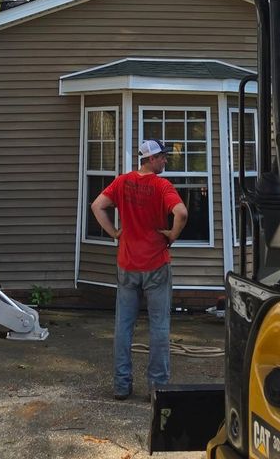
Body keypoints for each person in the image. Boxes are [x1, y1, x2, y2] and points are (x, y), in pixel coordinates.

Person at [91, 139, 189, 401]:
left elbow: (97, 206)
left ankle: (122, 386)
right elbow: (181, 212)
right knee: (159, 326)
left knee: (124, 327)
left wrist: (114, 233)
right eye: (162, 157)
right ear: (151, 159)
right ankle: (157, 388)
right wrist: (171, 236)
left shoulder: (122, 182)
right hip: (156, 264)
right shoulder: (161, 186)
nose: (165, 161)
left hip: (127, 264)